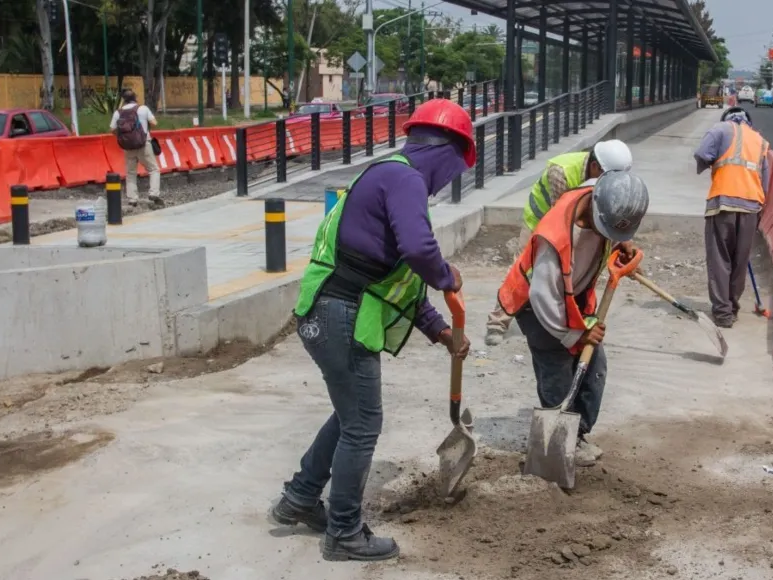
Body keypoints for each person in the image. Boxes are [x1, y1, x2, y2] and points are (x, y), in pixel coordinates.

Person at [271, 98, 475, 562]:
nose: (448, 183)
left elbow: (399, 284)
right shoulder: (404, 178)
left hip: (330, 312)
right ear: (449, 153)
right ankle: (344, 532)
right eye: (455, 171)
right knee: (363, 424)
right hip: (338, 314)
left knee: (350, 416)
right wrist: (447, 275)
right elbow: (421, 251)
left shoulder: (391, 176)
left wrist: (443, 333)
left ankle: (300, 498)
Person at [497, 170, 649, 467]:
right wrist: (574, 335)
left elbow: (616, 213)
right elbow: (544, 297)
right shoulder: (553, 237)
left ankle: (576, 435)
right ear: (594, 208)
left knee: (594, 367)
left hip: (572, 299)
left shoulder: (603, 193)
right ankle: (557, 442)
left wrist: (622, 241)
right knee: (558, 371)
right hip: (537, 306)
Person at [484, 140, 633, 346]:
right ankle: (497, 323)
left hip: (574, 219)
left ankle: (562, 316)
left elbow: (607, 209)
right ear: (595, 167)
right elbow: (562, 218)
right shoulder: (561, 172)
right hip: (542, 220)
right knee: (523, 270)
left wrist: (620, 240)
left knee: (572, 272)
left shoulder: (603, 175)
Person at [693, 106, 770, 328]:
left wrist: (709, 164)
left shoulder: (720, 129)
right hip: (751, 207)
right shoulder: (760, 140)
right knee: (739, 261)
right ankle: (732, 307)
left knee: (719, 259)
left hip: (722, 203)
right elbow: (765, 181)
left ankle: (722, 313)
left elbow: (701, 153)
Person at [110, 89, 161, 207]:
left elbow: (112, 129)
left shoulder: (118, 112)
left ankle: (132, 199)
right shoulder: (142, 109)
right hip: (144, 144)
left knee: (131, 173)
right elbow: (154, 123)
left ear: (123, 99)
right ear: (135, 97)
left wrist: (125, 135)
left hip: (128, 147)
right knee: (153, 169)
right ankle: (153, 193)